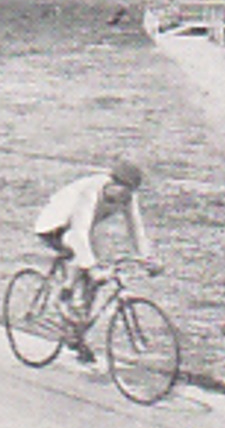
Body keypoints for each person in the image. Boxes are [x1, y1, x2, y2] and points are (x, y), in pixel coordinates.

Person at [33, 156, 161, 365]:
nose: (125, 197)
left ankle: (77, 333)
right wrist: (91, 267)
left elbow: (136, 229)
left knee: (94, 279)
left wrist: (148, 258)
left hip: (83, 228)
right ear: (112, 182)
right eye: (123, 191)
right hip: (55, 224)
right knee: (81, 255)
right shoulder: (91, 191)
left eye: (130, 193)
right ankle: (63, 296)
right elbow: (79, 233)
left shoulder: (127, 197)